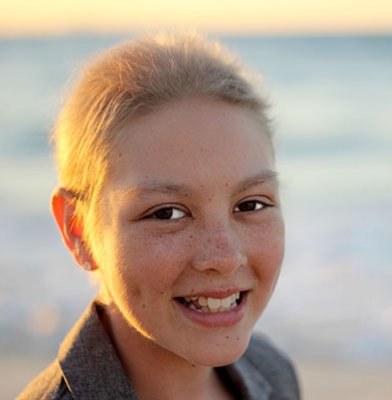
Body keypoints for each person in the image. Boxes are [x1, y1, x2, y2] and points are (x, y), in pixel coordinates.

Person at [17, 32, 300, 400]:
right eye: (167, 213)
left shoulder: (272, 372)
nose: (225, 257)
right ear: (78, 230)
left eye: (251, 205)